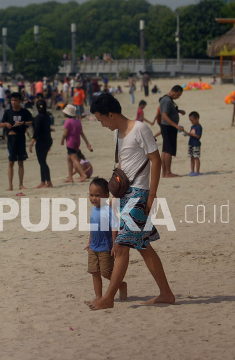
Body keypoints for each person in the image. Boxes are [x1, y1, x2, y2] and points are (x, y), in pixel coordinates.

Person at [87, 92, 174, 310]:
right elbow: (124, 165)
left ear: (111, 114)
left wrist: (151, 195)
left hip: (139, 195)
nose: (102, 125)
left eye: (102, 120)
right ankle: (166, 293)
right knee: (144, 247)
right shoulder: (118, 134)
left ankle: (108, 298)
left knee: (121, 247)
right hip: (125, 196)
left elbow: (155, 160)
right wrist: (115, 198)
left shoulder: (140, 129)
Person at [85, 177, 127, 302]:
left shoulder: (109, 211)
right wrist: (89, 241)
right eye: (91, 195)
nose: (93, 198)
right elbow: (93, 227)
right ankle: (98, 296)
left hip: (105, 247)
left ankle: (121, 284)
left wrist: (114, 245)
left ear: (106, 195)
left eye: (97, 195)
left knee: (106, 272)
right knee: (94, 272)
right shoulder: (94, 209)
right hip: (93, 246)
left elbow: (114, 228)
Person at [1, 92, 33, 191]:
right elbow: (1, 124)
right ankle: (10, 185)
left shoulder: (25, 112)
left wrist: (22, 123)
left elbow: (31, 121)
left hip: (21, 138)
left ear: (19, 101)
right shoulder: (8, 112)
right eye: (12, 100)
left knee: (21, 162)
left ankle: (21, 184)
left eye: (15, 100)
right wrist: (6, 124)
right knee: (11, 162)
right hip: (11, 138)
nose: (13, 102)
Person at [61, 104, 93, 183]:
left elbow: (65, 133)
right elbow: (82, 133)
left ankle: (83, 175)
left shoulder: (67, 121)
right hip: (77, 142)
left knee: (74, 160)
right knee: (69, 159)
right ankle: (70, 177)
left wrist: (62, 140)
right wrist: (87, 142)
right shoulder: (78, 121)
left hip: (70, 142)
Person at [158, 85, 185, 179]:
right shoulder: (167, 100)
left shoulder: (168, 100)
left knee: (165, 150)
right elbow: (165, 116)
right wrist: (176, 126)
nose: (178, 97)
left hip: (167, 127)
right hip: (168, 127)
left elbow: (169, 111)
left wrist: (179, 111)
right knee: (168, 150)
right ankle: (168, 172)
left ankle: (164, 172)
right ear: (173, 91)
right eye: (177, 95)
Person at [29, 100, 54, 189]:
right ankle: (43, 182)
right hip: (48, 140)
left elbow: (37, 131)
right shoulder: (47, 116)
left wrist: (32, 142)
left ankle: (49, 182)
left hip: (41, 141)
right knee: (42, 161)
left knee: (42, 162)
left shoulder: (39, 117)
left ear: (36, 107)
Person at [187, 111, 202, 176]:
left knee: (196, 157)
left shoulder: (199, 127)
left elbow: (198, 136)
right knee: (191, 157)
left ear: (197, 119)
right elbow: (191, 134)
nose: (191, 122)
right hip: (191, 143)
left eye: (192, 120)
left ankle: (197, 171)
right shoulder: (192, 126)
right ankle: (192, 170)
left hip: (196, 144)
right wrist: (187, 133)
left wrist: (190, 134)